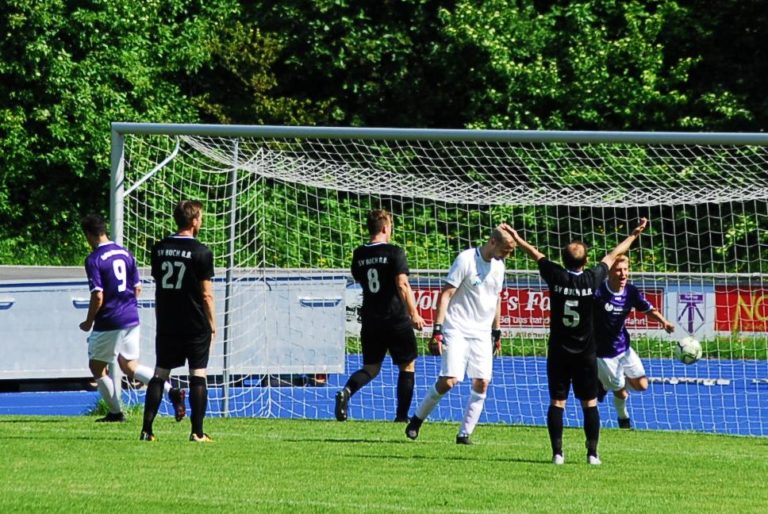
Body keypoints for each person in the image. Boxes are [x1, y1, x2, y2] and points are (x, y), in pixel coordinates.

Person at [504, 218, 647, 465]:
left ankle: (557, 453)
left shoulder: (556, 276)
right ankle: (592, 454)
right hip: (585, 353)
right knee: (589, 403)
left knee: (557, 402)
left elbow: (536, 255)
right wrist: (633, 235)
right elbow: (614, 254)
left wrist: (517, 238)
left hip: (559, 352)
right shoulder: (592, 279)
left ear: (564, 260)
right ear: (586, 261)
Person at [405, 224, 516, 444]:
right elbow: (446, 294)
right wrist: (437, 329)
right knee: (449, 380)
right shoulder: (466, 259)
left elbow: (497, 298)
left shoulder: (499, 266)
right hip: (456, 327)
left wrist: (497, 330)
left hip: (482, 332)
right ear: (492, 242)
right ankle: (417, 419)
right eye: (505, 250)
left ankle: (464, 434)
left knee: (482, 382)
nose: (506, 255)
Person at [79, 214, 185, 423]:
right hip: (131, 317)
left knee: (97, 367)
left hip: (109, 319)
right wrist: (126, 306)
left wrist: (89, 320)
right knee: (130, 366)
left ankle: (116, 413)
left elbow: (98, 295)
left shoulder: (94, 259)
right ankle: (171, 391)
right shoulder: (125, 253)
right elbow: (137, 288)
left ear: (89, 234)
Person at [335, 209, 425, 422]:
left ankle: (347, 391)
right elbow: (402, 284)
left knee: (371, 368)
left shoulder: (359, 254)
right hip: (395, 318)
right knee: (407, 365)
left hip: (370, 319)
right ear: (386, 227)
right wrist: (414, 314)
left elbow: (360, 279)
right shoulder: (395, 252)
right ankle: (401, 417)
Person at [140, 200, 216, 442]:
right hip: (194, 322)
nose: (201, 222)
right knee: (198, 375)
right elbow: (206, 294)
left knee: (160, 374)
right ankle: (197, 432)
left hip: (167, 321)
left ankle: (146, 430)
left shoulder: (159, 248)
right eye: (200, 218)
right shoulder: (201, 252)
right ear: (194, 221)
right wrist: (212, 324)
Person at [594, 254, 675, 429]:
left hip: (624, 347)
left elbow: (647, 309)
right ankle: (624, 419)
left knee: (642, 385)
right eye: (618, 270)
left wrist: (664, 322)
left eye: (626, 269)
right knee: (621, 393)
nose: (623, 274)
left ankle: (604, 382)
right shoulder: (598, 292)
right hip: (603, 353)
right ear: (609, 272)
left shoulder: (630, 291)